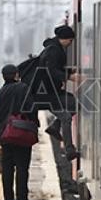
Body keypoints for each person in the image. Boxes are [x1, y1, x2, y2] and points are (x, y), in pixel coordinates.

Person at [29, 24, 81, 160]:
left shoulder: (54, 48)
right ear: (64, 39)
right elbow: (50, 70)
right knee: (66, 117)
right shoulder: (53, 50)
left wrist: (69, 71)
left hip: (51, 90)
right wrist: (69, 76)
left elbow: (53, 68)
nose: (71, 43)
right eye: (70, 40)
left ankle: (54, 127)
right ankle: (70, 150)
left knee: (74, 104)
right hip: (45, 93)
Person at [0, 64, 37, 200]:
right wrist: (34, 125)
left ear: (3, 76)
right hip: (22, 133)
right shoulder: (24, 88)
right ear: (16, 75)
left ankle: (8, 199)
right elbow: (31, 108)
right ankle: (22, 198)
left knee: (7, 167)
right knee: (22, 167)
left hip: (5, 135)